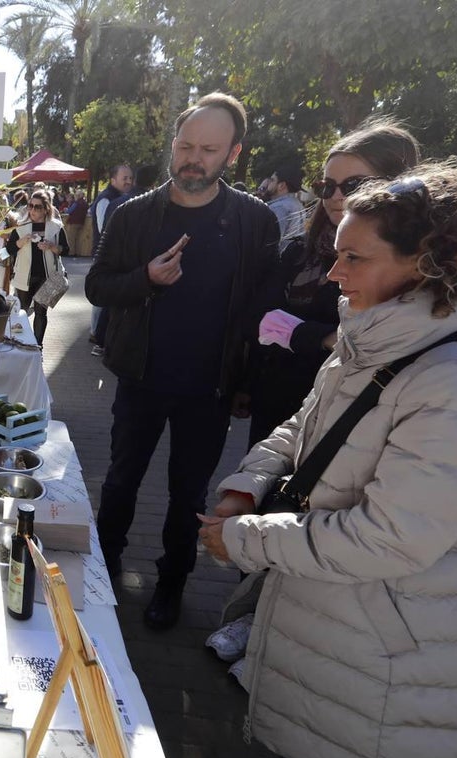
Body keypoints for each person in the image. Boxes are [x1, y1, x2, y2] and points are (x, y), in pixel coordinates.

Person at [199, 163, 457, 758]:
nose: (335, 273)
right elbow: (304, 427)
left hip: (394, 673)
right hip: (338, 637)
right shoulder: (374, 334)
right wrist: (247, 486)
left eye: (354, 258)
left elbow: (387, 539)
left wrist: (246, 540)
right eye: (336, 254)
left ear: (429, 264)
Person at [84, 92, 279, 630]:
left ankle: (171, 584)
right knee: (120, 482)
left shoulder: (254, 220)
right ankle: (104, 566)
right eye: (186, 146)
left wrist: (245, 382)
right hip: (141, 378)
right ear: (173, 145)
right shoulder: (134, 214)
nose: (194, 159)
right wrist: (145, 279)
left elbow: (260, 311)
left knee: (187, 495)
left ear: (233, 154)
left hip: (209, 389)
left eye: (208, 150)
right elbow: (97, 286)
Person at [246, 121, 421, 447]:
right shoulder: (299, 251)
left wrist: (302, 333)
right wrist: (327, 337)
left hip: (361, 420)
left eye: (354, 185)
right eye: (327, 186)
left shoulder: (420, 266)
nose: (336, 196)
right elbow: (260, 317)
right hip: (281, 406)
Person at [6, 189, 68, 346]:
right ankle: (20, 343)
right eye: (30, 206)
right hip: (24, 276)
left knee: (41, 312)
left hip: (47, 277)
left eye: (37, 207)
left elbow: (66, 250)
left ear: (46, 208)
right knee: (22, 312)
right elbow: (9, 250)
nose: (32, 210)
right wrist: (21, 242)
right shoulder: (21, 227)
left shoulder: (56, 227)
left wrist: (51, 246)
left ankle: (37, 346)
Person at [88, 164, 134, 349]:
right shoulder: (105, 199)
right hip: (104, 256)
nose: (129, 181)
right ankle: (95, 333)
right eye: (125, 178)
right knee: (101, 296)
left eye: (130, 178)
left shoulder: (122, 198)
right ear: (113, 180)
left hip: (114, 256)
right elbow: (104, 230)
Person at [259, 164, 307, 245]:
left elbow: (270, 243)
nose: (269, 183)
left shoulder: (279, 208)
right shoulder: (298, 205)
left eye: (272, 180)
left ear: (281, 186)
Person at [64, 189, 88, 257]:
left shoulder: (76, 203)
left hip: (74, 222)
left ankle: (71, 253)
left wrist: (66, 210)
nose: (75, 196)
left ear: (78, 196)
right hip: (81, 222)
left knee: (71, 238)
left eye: (76, 195)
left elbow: (69, 211)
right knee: (77, 239)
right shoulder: (85, 203)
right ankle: (77, 252)